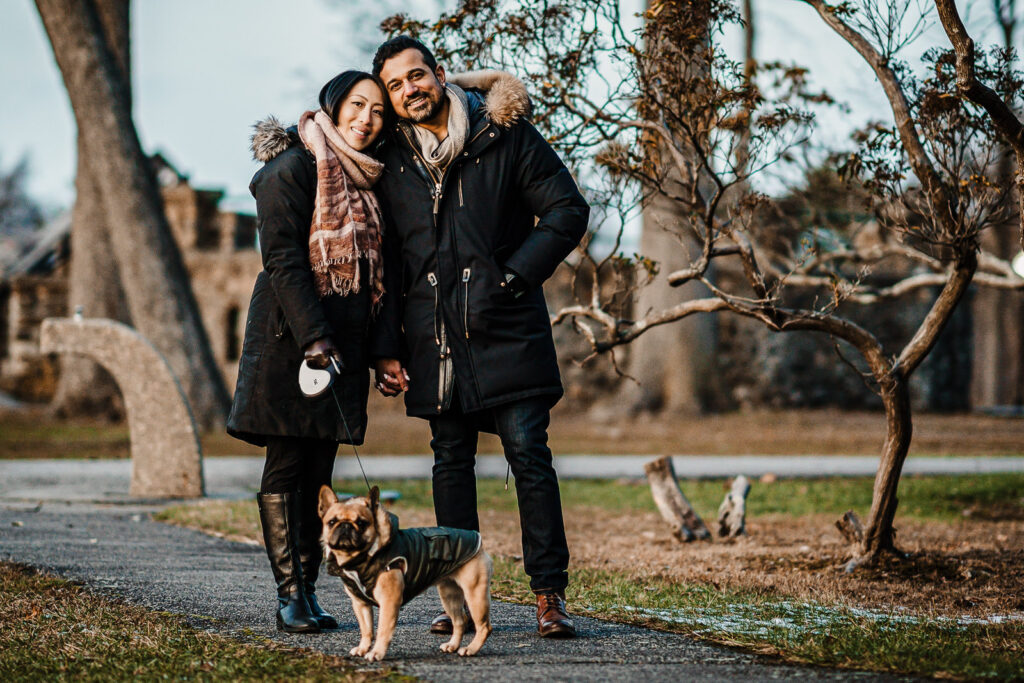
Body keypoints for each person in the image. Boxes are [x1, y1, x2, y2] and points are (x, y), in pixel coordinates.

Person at [369, 36, 589, 638]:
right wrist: (386, 347)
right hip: (432, 339)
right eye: (395, 85)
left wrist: (514, 276)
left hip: (506, 328)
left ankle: (549, 597)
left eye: (417, 76)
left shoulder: (504, 134)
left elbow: (567, 209)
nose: (409, 90)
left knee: (528, 458)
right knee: (450, 461)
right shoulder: (392, 160)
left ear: (440, 75)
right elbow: (389, 260)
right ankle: (458, 604)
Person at [227, 70, 389, 633]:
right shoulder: (291, 167)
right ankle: (290, 594)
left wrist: (377, 352)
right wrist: (314, 336)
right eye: (357, 106)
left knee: (321, 467)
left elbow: (376, 277)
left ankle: (311, 592)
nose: (367, 119)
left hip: (342, 344)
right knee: (289, 465)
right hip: (290, 340)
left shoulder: (368, 180)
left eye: (378, 111)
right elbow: (283, 259)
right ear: (332, 105)